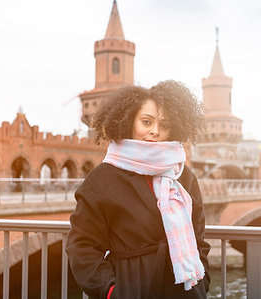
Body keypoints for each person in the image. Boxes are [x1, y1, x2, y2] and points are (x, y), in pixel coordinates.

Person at [66, 80, 210, 299]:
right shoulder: (104, 178)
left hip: (185, 290)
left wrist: (203, 279)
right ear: (129, 121)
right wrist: (111, 290)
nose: (154, 131)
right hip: (132, 289)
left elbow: (198, 236)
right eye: (146, 122)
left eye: (164, 125)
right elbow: (82, 246)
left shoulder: (183, 175)